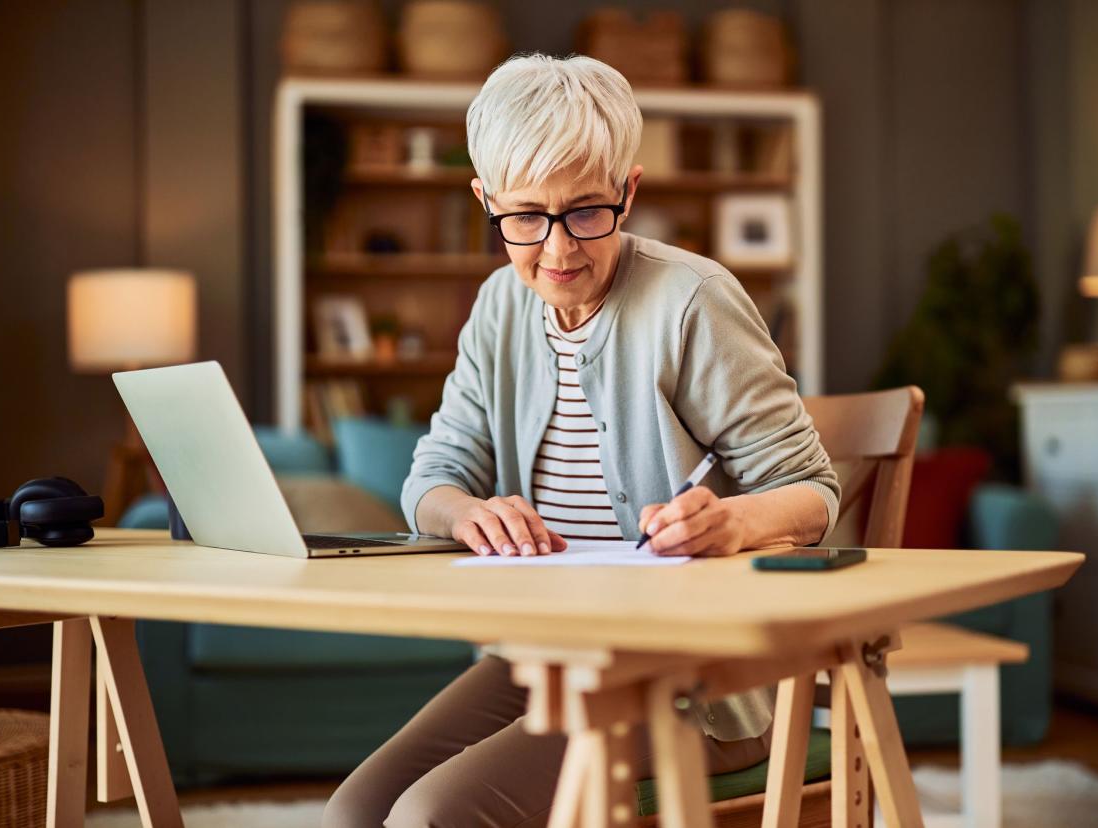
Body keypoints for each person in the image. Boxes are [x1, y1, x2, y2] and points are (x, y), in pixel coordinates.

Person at [323, 52, 840, 828]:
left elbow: (814, 492)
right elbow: (431, 475)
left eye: (586, 212)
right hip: (546, 656)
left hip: (696, 681)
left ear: (629, 192)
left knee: (432, 816)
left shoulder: (692, 302)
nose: (559, 250)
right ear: (484, 201)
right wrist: (464, 512)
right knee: (355, 812)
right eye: (525, 217)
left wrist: (730, 523)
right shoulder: (500, 306)